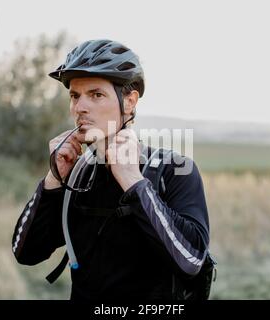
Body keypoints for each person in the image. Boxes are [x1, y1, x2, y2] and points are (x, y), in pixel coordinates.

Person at [12, 39, 212, 301]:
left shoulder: (173, 170)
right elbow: (26, 252)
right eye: (75, 96)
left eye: (96, 94)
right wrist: (54, 177)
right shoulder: (78, 174)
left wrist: (133, 182)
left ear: (129, 102)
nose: (80, 107)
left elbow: (192, 260)